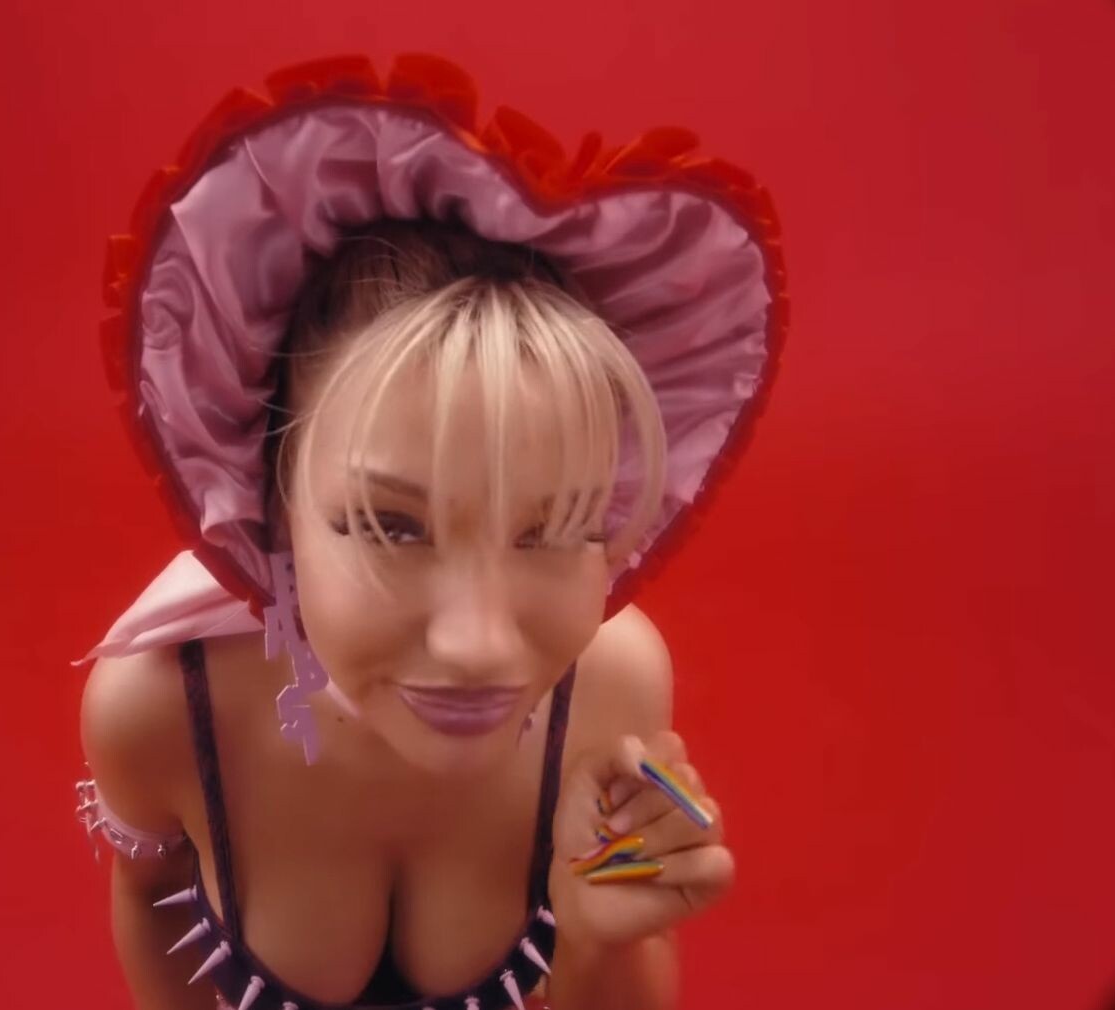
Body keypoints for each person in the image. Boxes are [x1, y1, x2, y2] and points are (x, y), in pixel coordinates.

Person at [71, 52, 789, 1010]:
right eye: (393, 526)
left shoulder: (614, 688)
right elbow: (152, 901)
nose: (479, 647)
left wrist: (601, 933)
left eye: (558, 527)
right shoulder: (159, 709)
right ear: (271, 503)